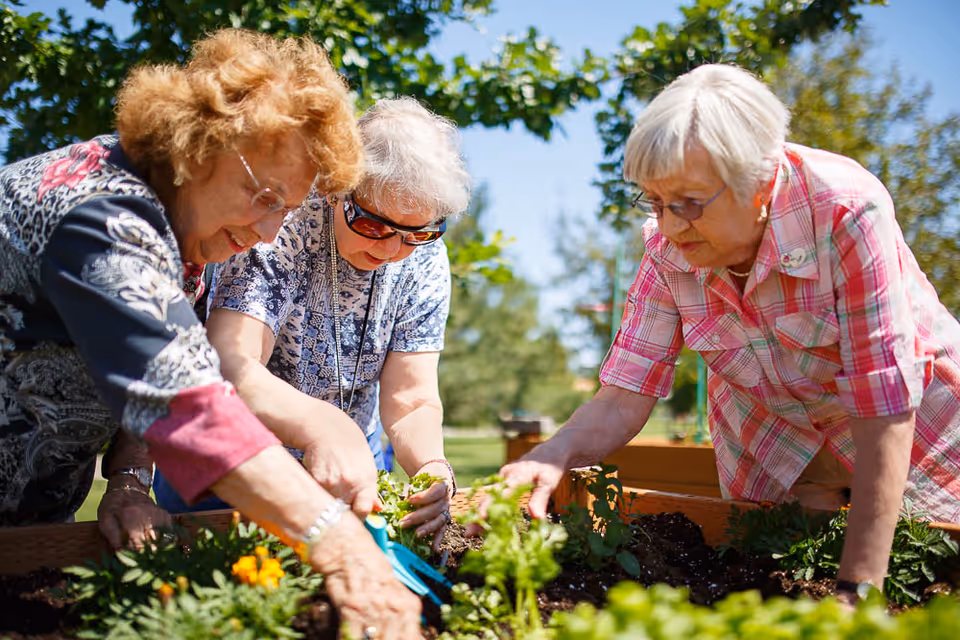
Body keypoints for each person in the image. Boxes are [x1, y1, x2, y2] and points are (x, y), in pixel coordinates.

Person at [0, 28, 421, 638]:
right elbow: (188, 406)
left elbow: (145, 371)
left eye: (287, 209)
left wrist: (127, 480)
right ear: (201, 147)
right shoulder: (99, 216)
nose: (271, 231)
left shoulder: (181, 227)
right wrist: (342, 546)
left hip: (30, 536)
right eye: (267, 196)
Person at [495, 63, 960, 603]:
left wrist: (859, 591)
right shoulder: (665, 249)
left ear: (759, 182)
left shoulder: (846, 209)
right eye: (654, 202)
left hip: (912, 431)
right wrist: (551, 454)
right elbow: (623, 397)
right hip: (774, 443)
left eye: (689, 204)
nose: (669, 226)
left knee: (925, 587)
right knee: (771, 590)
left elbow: (881, 402)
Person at [155, 97, 470, 554]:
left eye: (418, 232)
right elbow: (231, 363)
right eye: (374, 226)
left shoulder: (424, 258)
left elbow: (412, 399)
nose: (392, 251)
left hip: (349, 472)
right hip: (235, 469)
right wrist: (322, 426)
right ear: (337, 188)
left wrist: (431, 467)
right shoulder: (280, 226)